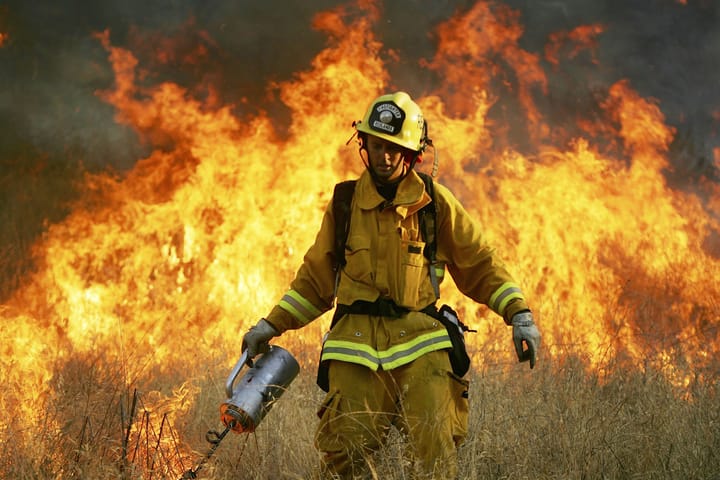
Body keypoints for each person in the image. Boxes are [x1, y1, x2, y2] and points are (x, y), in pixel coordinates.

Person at [241, 91, 541, 479]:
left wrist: (519, 315)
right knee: (344, 458)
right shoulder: (346, 203)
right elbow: (315, 281)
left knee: (434, 457)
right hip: (354, 348)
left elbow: (480, 264)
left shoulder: (434, 203)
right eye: (377, 145)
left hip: (422, 347)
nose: (383, 156)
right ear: (364, 144)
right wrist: (270, 325)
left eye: (394, 148)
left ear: (412, 153)